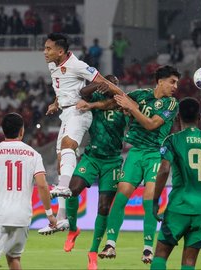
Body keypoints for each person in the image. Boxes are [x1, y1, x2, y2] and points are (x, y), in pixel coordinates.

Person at [39, 33, 123, 234]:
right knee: (61, 162)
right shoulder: (53, 65)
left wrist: (122, 96)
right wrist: (55, 103)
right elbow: (63, 89)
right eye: (45, 48)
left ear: (61, 51)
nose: (45, 52)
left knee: (69, 147)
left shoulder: (78, 65)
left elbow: (102, 81)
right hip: (65, 113)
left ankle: (65, 187)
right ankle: (62, 219)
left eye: (48, 48)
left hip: (79, 111)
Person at [99, 65, 180, 263]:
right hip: (135, 153)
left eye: (176, 83)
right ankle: (110, 244)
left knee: (149, 200)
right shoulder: (141, 95)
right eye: (172, 81)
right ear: (160, 81)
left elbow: (151, 124)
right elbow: (120, 96)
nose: (175, 86)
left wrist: (131, 108)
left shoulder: (171, 104)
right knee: (120, 198)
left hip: (155, 154)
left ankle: (147, 249)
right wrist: (102, 84)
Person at [151, 97, 201, 270]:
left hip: (179, 206)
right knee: (189, 261)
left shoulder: (172, 140)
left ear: (177, 117)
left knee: (160, 255)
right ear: (200, 117)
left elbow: (164, 170)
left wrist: (154, 200)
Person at [0, 113, 57, 270]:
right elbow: (42, 185)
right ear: (22, 130)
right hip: (22, 216)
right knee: (14, 259)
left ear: (3, 130)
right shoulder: (34, 154)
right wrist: (50, 214)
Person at [62, 75, 126, 270]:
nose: (109, 86)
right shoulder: (93, 98)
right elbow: (82, 92)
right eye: (107, 83)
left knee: (104, 207)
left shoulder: (124, 102)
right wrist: (98, 84)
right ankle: (73, 230)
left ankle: (93, 252)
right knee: (71, 191)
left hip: (113, 161)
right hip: (92, 157)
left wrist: (108, 92)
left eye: (113, 83)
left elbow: (121, 105)